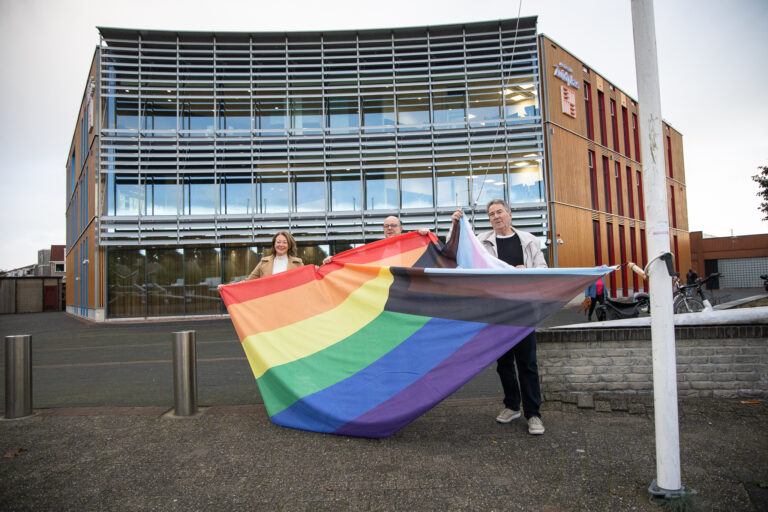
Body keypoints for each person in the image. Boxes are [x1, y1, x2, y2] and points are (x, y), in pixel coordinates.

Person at [451, 199, 546, 435]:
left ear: (510, 214)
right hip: (496, 312)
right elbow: (455, 251)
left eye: (500, 212)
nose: (496, 217)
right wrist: (456, 226)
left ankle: (533, 414)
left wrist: (528, 271)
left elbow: (544, 270)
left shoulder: (529, 241)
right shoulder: (482, 242)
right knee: (504, 363)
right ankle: (512, 406)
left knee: (527, 364)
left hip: (523, 311)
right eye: (491, 214)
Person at [322, 217, 429, 264]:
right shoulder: (376, 248)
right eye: (386, 226)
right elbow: (355, 259)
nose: (389, 228)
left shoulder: (410, 246)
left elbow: (427, 254)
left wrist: (424, 236)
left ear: (400, 228)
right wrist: (335, 259)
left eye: (393, 225)